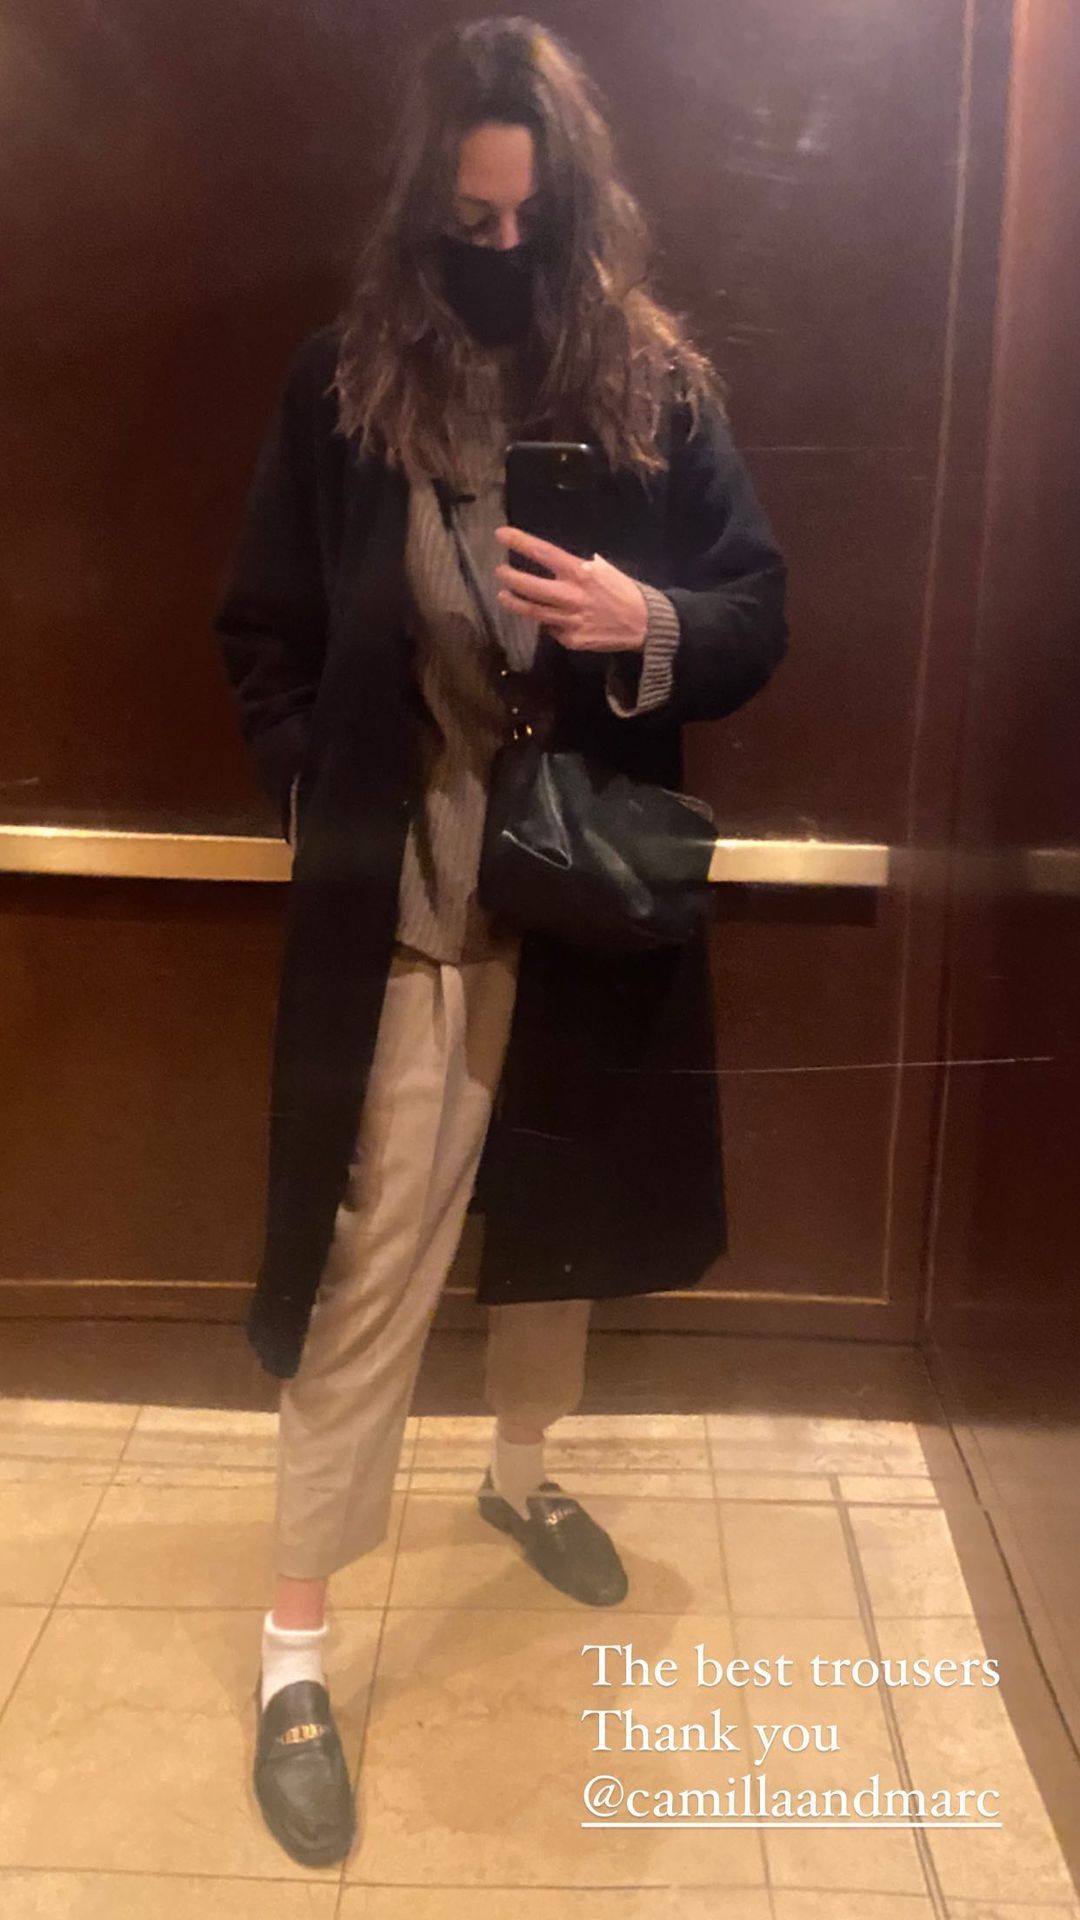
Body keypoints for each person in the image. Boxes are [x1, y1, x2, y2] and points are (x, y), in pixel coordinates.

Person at [214, 14, 787, 1870]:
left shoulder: (653, 386)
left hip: (586, 889)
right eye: (469, 220)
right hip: (409, 908)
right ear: (422, 206)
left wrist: (647, 619)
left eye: (530, 217)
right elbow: (261, 630)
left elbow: (759, 606)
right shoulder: (342, 386)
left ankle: (519, 1480)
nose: (503, 247)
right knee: (371, 1255)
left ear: (577, 202)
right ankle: (296, 1652)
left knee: (562, 1222)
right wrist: (318, 792)